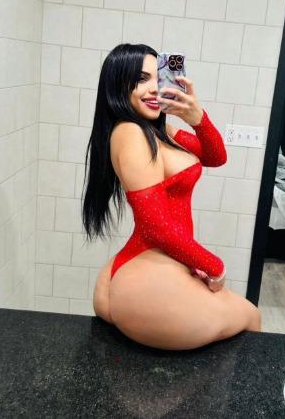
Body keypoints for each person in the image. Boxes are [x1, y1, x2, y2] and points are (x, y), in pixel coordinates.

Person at [82, 43, 262, 350]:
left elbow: (216, 156)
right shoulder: (129, 132)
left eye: (158, 77)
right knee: (251, 317)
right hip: (148, 269)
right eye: (141, 79)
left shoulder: (160, 132)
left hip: (153, 263)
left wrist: (196, 116)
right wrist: (215, 266)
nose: (154, 88)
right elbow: (156, 226)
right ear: (118, 85)